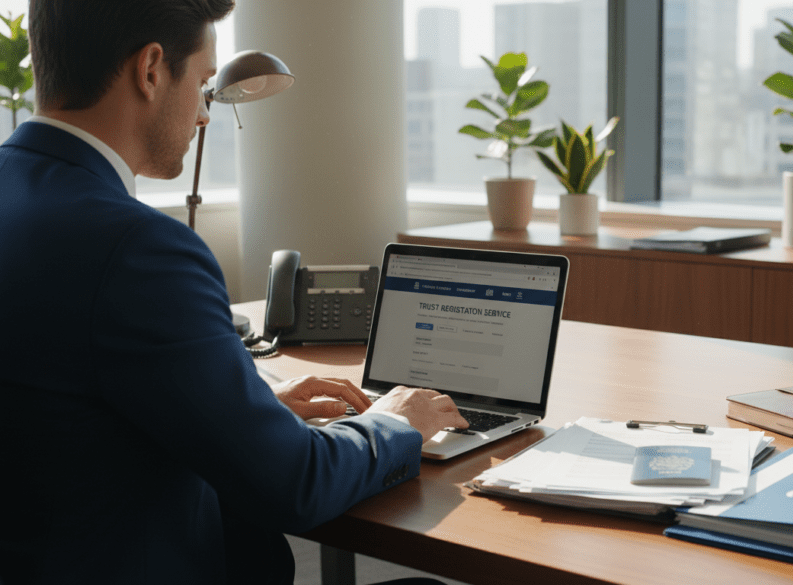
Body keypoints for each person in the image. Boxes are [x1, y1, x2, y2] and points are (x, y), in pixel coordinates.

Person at [0, 1, 467, 583]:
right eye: (201, 83)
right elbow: (296, 485)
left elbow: (64, 410)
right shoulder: (140, 248)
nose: (203, 115)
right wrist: (396, 421)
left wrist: (247, 412)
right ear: (150, 70)